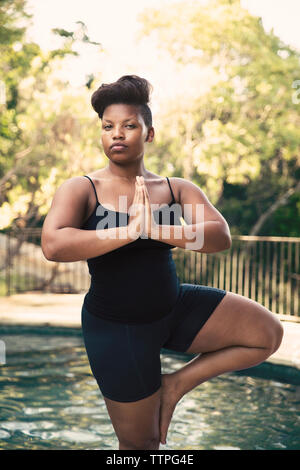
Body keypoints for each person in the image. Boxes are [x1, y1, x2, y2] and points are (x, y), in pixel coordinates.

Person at [41, 74, 284, 450]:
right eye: (108, 127)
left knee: (266, 333)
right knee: (143, 446)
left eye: (129, 125)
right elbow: (55, 245)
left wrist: (154, 227)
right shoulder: (82, 188)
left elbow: (219, 237)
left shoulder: (176, 188)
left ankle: (176, 384)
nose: (116, 134)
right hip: (116, 329)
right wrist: (128, 231)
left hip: (172, 308)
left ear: (149, 133)